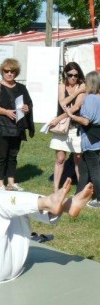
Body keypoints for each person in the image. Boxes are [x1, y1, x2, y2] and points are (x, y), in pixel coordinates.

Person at [0, 58, 34, 191]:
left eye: (12, 71)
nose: (9, 74)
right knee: (1, 155)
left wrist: (27, 108)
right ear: (2, 71)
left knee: (13, 155)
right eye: (7, 71)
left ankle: (11, 183)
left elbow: (29, 104)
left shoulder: (21, 88)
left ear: (16, 73)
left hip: (17, 127)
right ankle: (0, 184)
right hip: (1, 126)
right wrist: (6, 112)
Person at [64, 71, 100, 208]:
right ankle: (79, 195)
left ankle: (98, 199)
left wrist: (71, 115)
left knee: (94, 171)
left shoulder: (90, 99)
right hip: (96, 138)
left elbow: (85, 121)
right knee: (84, 169)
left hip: (91, 139)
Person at [49, 62, 86, 192]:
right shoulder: (61, 86)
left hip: (75, 127)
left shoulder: (82, 86)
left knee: (77, 159)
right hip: (62, 128)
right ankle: (55, 189)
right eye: (70, 75)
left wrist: (57, 119)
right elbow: (62, 102)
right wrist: (76, 93)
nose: (73, 78)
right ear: (66, 74)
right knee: (60, 159)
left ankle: (80, 190)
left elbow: (76, 107)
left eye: (76, 75)